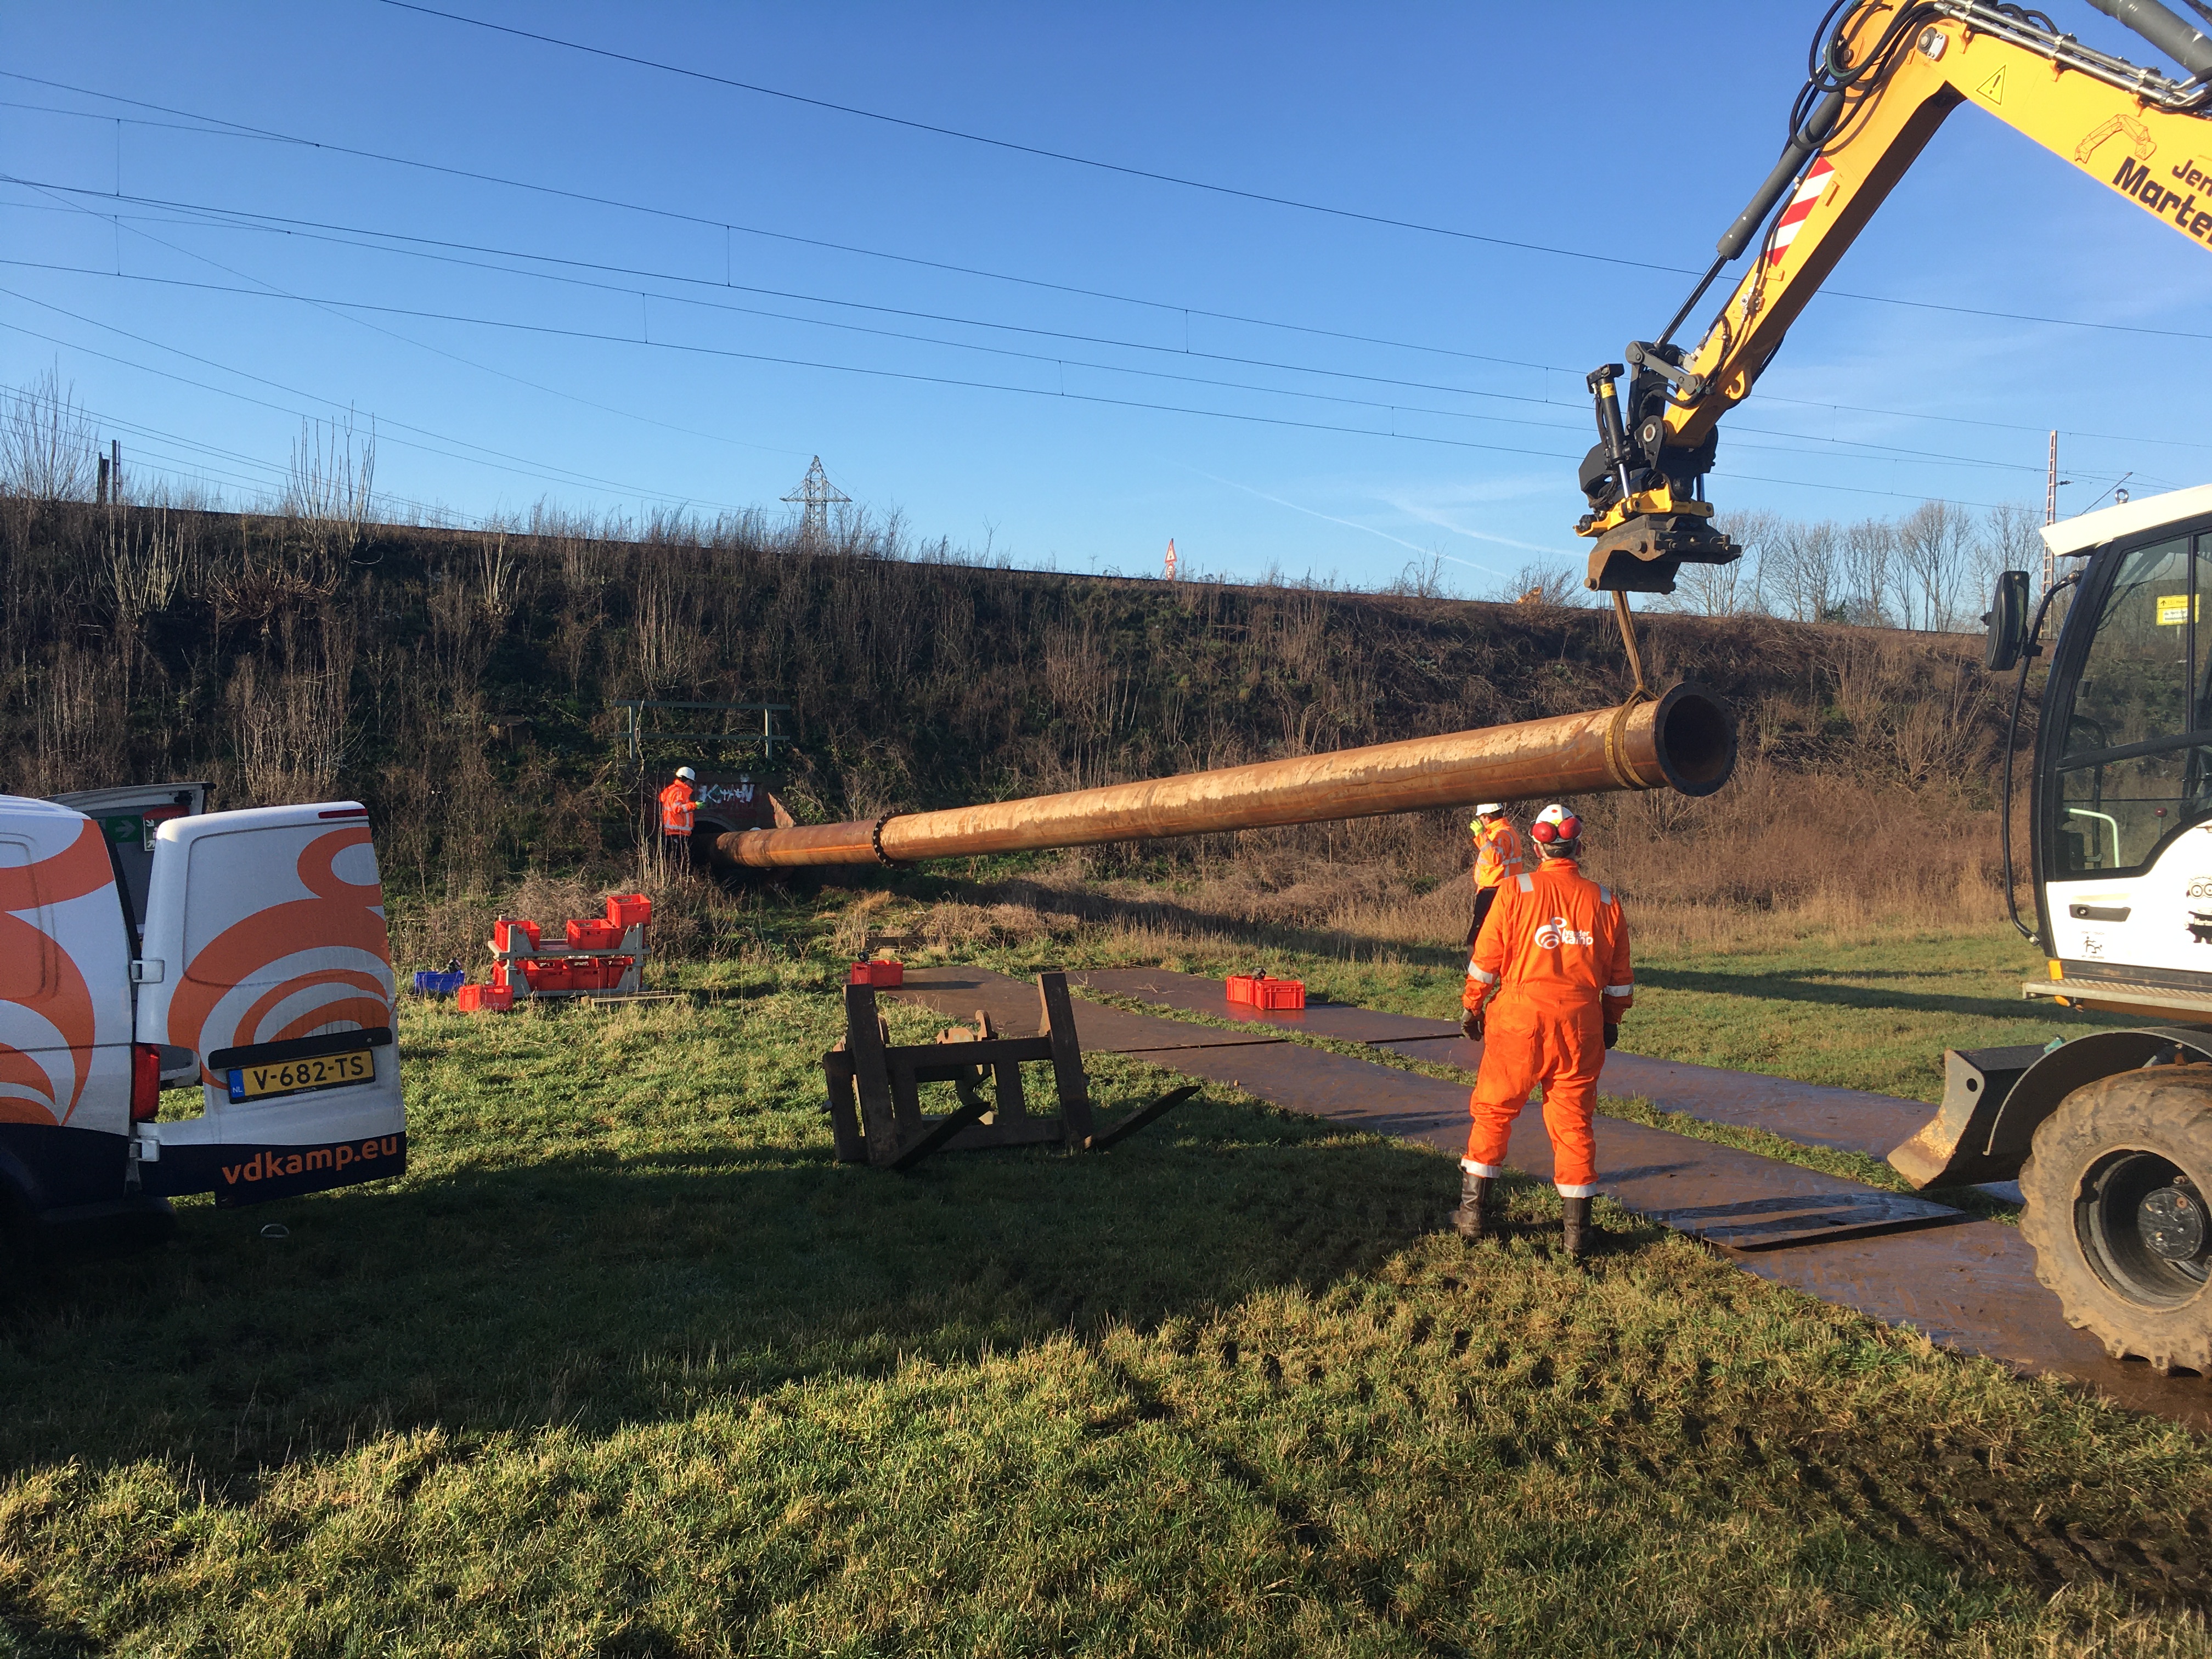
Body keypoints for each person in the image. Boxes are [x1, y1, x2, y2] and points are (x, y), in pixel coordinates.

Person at [1452, 803, 1633, 1259]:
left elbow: (1485, 961)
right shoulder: (1606, 900)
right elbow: (1619, 977)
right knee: (1573, 1123)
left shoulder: (1515, 890)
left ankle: (1473, 1217)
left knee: (1493, 1111)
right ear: (1578, 844)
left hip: (1518, 1021)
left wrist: (1473, 1008)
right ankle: (1578, 1237)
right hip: (1580, 1025)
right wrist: (1610, 1021)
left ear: (1536, 846)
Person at [1464, 803, 1523, 949]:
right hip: (1504, 889)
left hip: (1493, 890)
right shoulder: (1506, 832)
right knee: (1502, 932)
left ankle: (1473, 969)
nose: (1479, 821)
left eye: (1480, 818)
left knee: (1477, 935)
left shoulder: (1501, 834)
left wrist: (1480, 835)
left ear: (1487, 818)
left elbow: (1495, 858)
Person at [658, 766, 699, 854]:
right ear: (684, 779)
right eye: (690, 781)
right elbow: (677, 808)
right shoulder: (678, 791)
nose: (691, 785)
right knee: (678, 859)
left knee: (676, 859)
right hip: (676, 832)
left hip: (677, 832)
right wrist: (694, 805)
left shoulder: (676, 791)